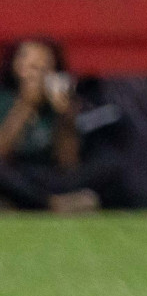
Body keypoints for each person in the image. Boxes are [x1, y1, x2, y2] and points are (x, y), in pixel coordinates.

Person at [0, 38, 114, 213]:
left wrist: (64, 115)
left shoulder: (63, 103)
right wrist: (25, 105)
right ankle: (50, 205)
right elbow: (2, 153)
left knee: (108, 166)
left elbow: (68, 163)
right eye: (29, 64)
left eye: (41, 67)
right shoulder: (5, 98)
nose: (34, 74)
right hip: (17, 174)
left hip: (50, 176)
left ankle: (24, 204)